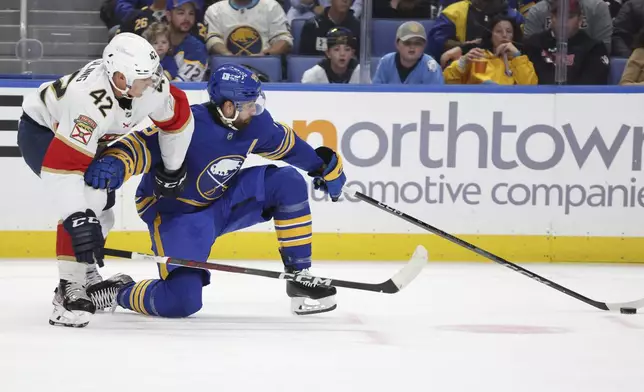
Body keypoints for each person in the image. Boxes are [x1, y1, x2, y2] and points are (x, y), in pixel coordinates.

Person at [83, 64, 346, 317]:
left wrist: (322, 166)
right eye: (248, 105)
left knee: (288, 181)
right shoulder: (188, 124)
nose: (255, 109)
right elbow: (141, 145)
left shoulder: (255, 124)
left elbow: (289, 147)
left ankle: (299, 276)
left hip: (223, 199)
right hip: (177, 215)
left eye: (256, 102)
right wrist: (116, 161)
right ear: (228, 107)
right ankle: (120, 291)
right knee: (181, 302)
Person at [17, 32, 195, 328]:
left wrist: (172, 169)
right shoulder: (88, 100)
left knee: (101, 206)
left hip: (93, 139)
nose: (152, 83)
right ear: (119, 78)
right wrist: (77, 216)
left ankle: (87, 276)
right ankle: (68, 287)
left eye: (153, 75)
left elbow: (177, 117)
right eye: (143, 78)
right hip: (44, 133)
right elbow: (62, 172)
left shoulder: (151, 83)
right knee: (88, 201)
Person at [524, 0, 610, 85]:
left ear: (580, 20)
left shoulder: (594, 48)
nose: (563, 22)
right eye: (558, 16)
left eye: (569, 17)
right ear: (551, 18)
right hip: (539, 97)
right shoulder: (534, 44)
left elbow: (592, 85)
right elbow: (525, 81)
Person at [443, 15, 537, 85]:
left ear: (514, 36)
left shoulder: (520, 61)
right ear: (491, 36)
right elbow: (448, 81)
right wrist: (463, 62)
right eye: (498, 31)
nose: (504, 35)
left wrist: (517, 55)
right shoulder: (477, 56)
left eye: (509, 31)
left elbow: (530, 86)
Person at [204, 0, 293, 56]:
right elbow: (213, 39)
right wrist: (227, 55)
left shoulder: (272, 6)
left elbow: (283, 39)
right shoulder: (214, 10)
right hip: (227, 67)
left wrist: (266, 54)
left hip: (263, 66)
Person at [373, 21, 444, 85]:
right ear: (397, 44)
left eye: (417, 43)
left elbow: (435, 97)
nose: (412, 47)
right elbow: (375, 92)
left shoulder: (431, 66)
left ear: (424, 46)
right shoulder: (386, 62)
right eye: (407, 43)